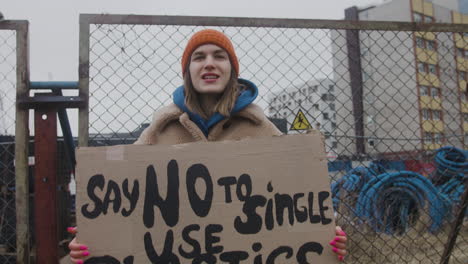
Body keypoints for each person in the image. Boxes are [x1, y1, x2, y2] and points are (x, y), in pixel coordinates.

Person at [68, 29, 348, 263]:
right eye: (199, 57)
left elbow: (298, 205)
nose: (209, 63)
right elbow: (123, 206)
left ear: (232, 69)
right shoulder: (158, 132)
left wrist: (326, 237)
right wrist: (93, 240)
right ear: (188, 71)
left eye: (219, 56)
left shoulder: (264, 131)